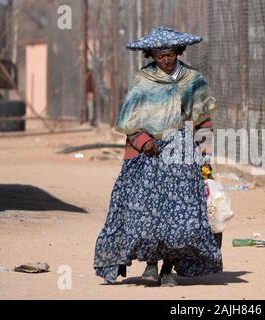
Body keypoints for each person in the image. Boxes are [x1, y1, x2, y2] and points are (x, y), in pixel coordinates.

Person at [93, 26, 222, 287]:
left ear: (178, 51)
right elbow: (128, 122)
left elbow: (203, 121)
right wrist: (144, 141)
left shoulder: (193, 80)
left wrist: (205, 155)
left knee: (181, 216)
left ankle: (167, 268)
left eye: (171, 54)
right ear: (152, 55)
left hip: (181, 156)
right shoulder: (142, 81)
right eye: (160, 55)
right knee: (147, 213)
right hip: (147, 157)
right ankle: (150, 264)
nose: (166, 59)